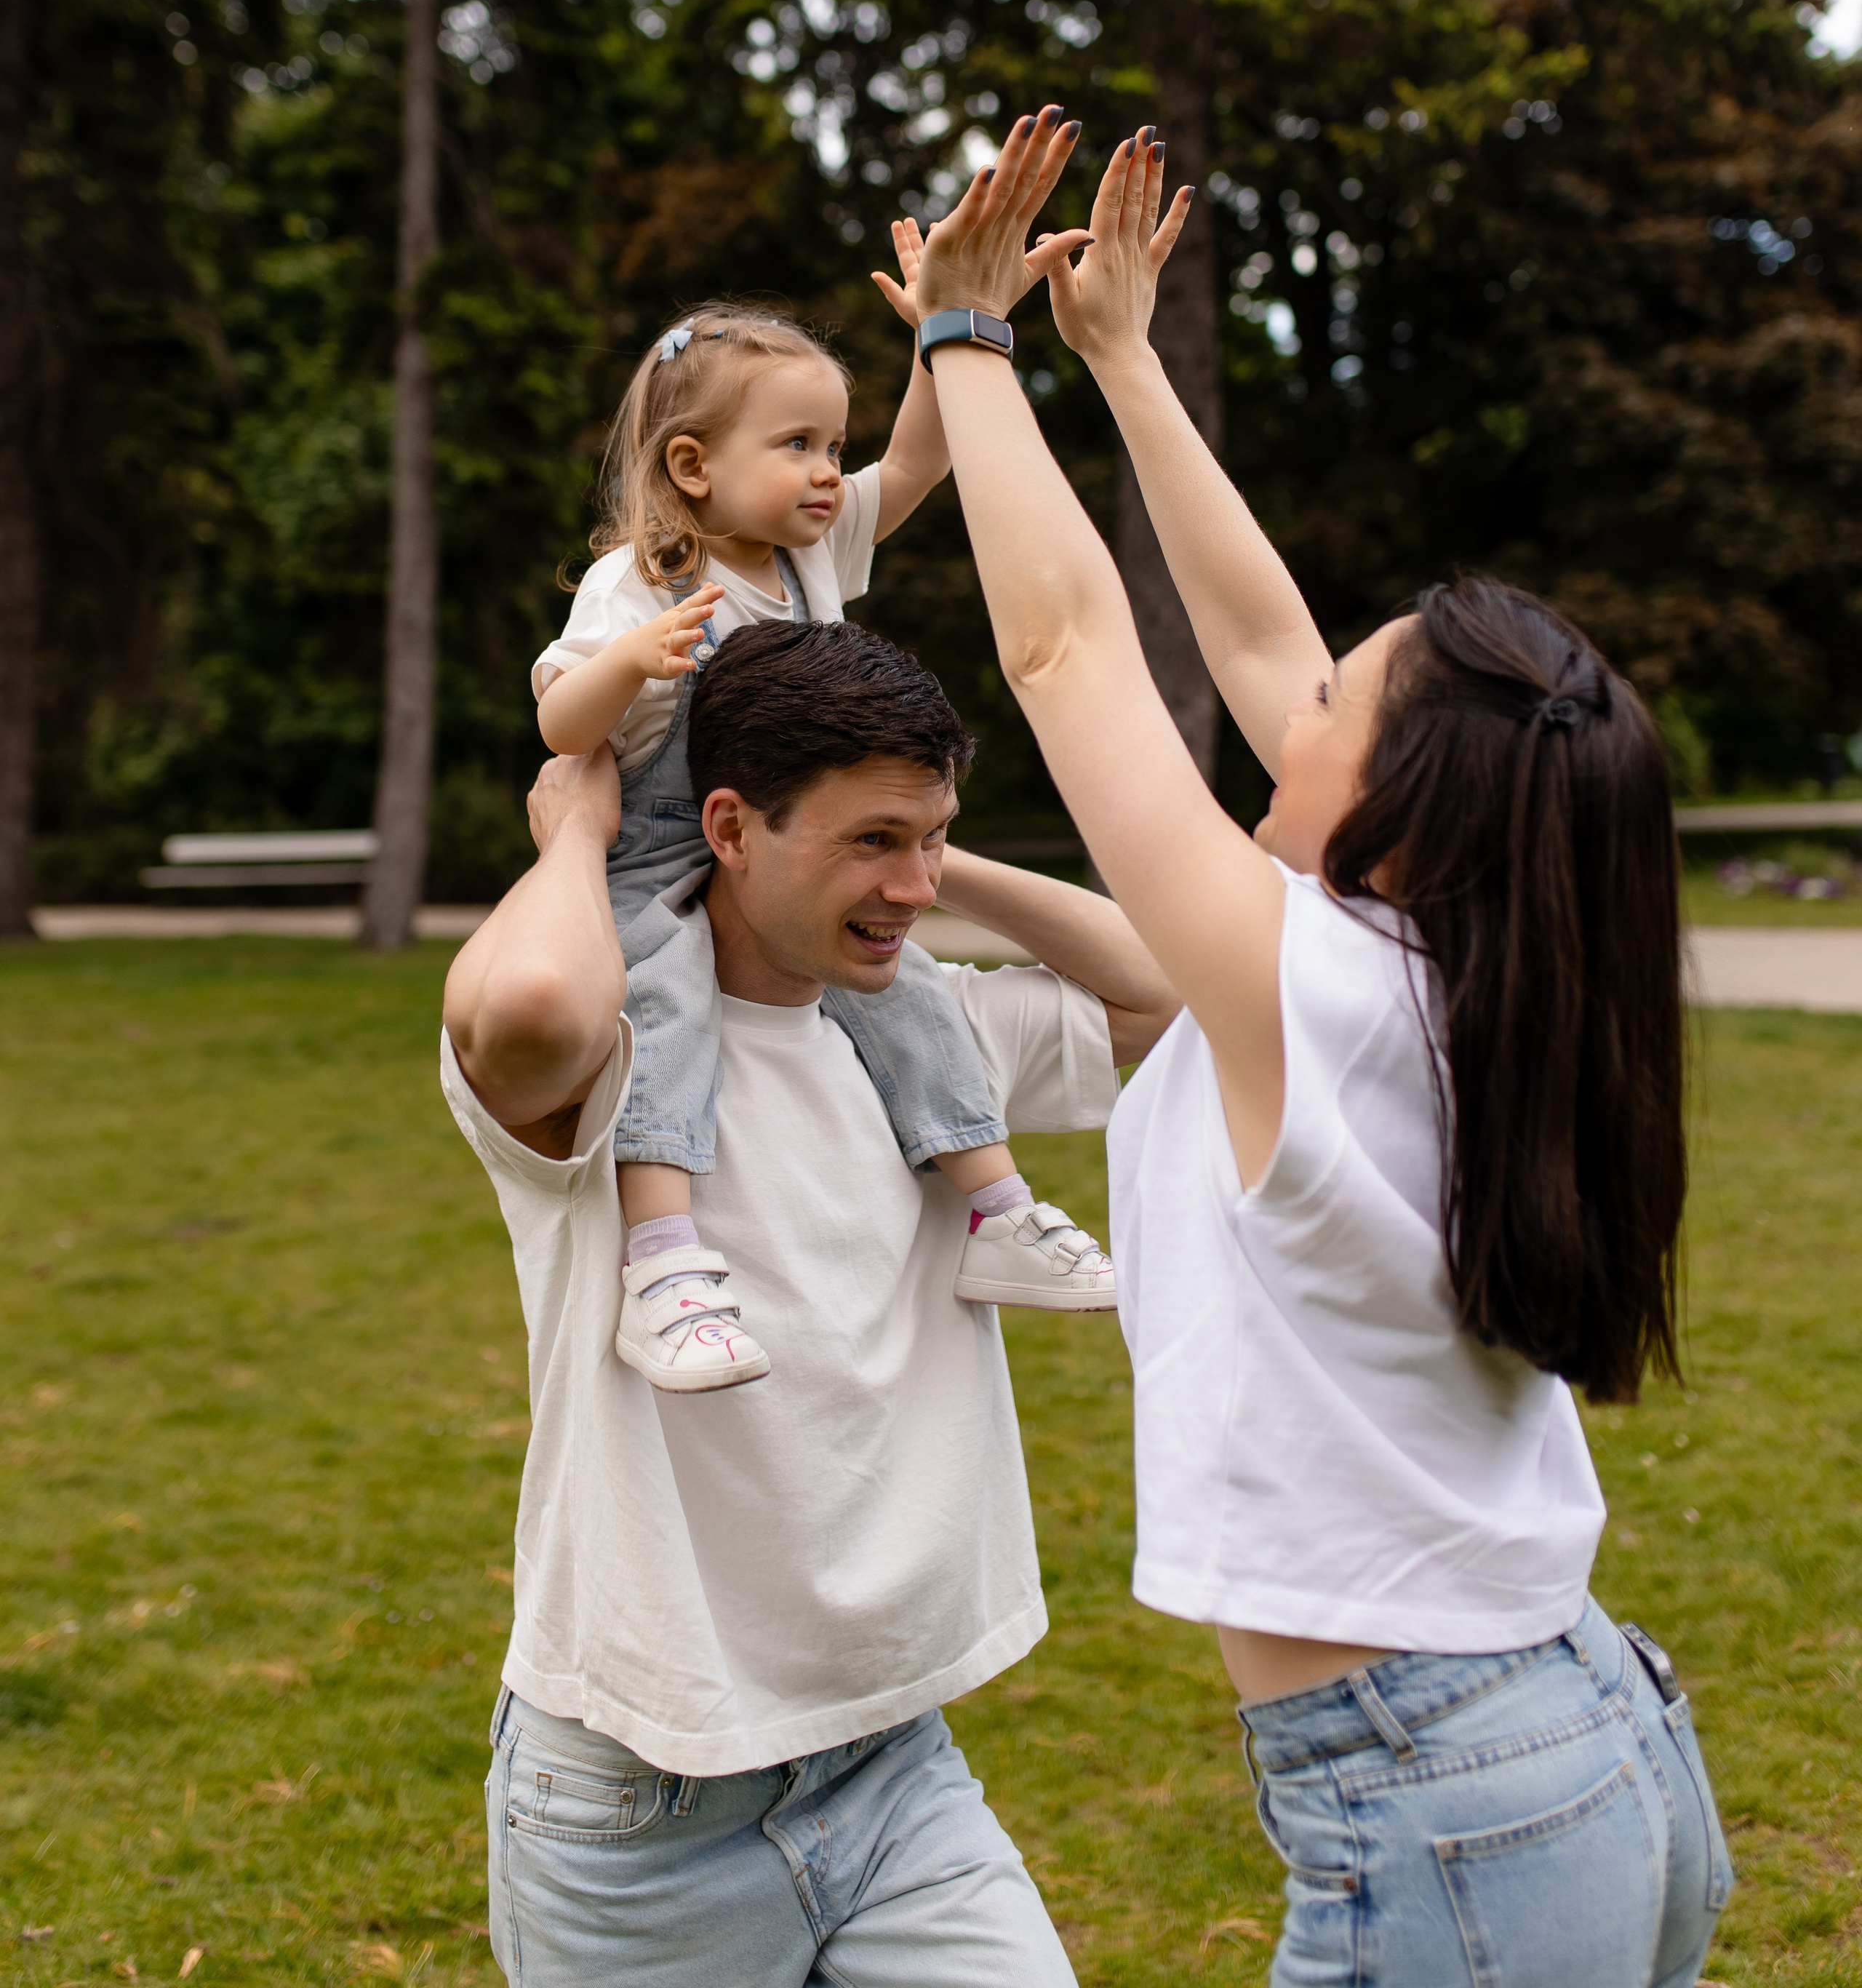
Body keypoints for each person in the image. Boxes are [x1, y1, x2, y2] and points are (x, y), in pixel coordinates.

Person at [908, 109, 1733, 1987]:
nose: (1296, 706)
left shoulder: (1319, 984)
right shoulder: (1476, 981)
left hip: (1444, 1812)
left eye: (1345, 705)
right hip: (1592, 1739)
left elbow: (1064, 656)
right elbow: (1265, 635)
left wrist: (969, 345)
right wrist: (1118, 359)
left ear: (1410, 803)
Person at [441, 618, 1179, 1987]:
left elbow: (1164, 986)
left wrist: (921, 862)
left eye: (930, 835)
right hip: (643, 1810)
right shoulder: (610, 1071)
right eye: (868, 843)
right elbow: (530, 1009)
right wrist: (578, 836)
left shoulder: (925, 1038)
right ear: (726, 824)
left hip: (896, 1771)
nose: (911, 885)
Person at [530, 294, 1114, 1391]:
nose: (827, 473)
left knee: (913, 989)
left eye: (832, 446)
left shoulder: (811, 551)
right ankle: (661, 1265)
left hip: (790, 859)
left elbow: (919, 463)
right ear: (694, 466)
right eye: (797, 445)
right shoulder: (640, 585)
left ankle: (998, 1207)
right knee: (662, 1006)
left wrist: (956, 319)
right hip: (664, 851)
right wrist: (631, 661)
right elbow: (563, 730)